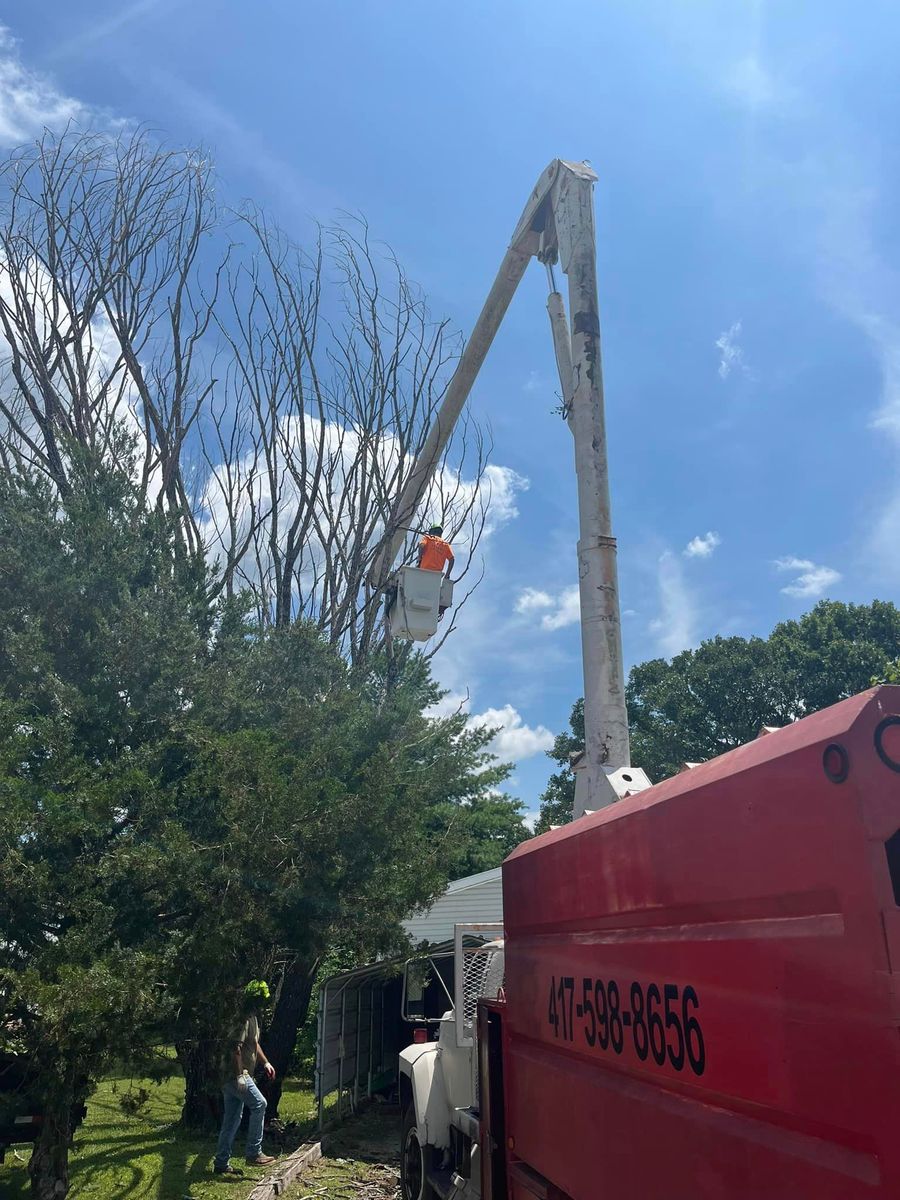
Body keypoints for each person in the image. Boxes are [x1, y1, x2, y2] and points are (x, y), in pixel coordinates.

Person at [213, 980, 278, 1176]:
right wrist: (240, 1075)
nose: (262, 1004)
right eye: (260, 1000)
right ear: (253, 999)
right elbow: (236, 1047)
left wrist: (265, 1062)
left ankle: (221, 1163)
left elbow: (254, 1043)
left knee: (232, 1119)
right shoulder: (241, 1017)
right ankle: (254, 1153)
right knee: (260, 1104)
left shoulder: (253, 1017)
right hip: (234, 1075)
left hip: (234, 1076)